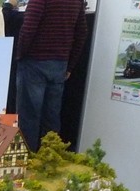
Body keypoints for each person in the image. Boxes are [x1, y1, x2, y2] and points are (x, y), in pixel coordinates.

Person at [13, 0, 87, 152]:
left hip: (33, 62)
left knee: (28, 117)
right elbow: (82, 32)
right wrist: (70, 65)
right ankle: (50, 158)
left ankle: (27, 159)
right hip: (60, 64)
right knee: (51, 118)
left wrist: (19, 55)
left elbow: (28, 28)